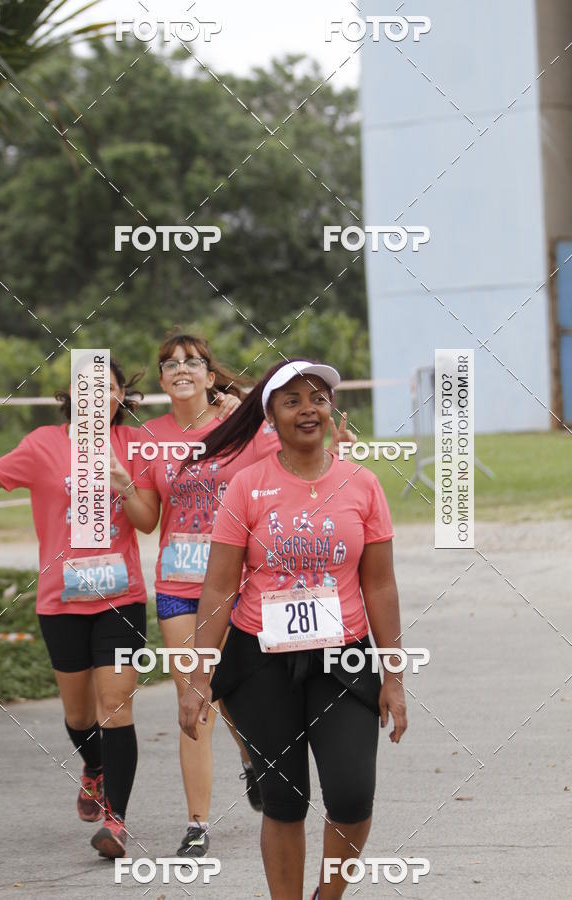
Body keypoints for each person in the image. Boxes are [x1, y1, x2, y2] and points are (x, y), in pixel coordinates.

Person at [178, 359, 408, 900]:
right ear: (272, 417)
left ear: (331, 410)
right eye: (292, 401)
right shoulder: (246, 487)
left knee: (352, 796)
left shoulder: (363, 484)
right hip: (261, 661)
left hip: (343, 659)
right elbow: (218, 589)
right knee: (283, 799)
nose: (308, 409)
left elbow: (380, 586)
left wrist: (394, 676)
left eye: (318, 398)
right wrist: (197, 676)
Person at [110, 333, 280, 860]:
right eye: (169, 363)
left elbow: (288, 463)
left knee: (229, 691)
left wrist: (259, 418)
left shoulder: (242, 426)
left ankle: (253, 757)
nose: (180, 368)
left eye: (192, 361)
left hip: (235, 585)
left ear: (209, 375)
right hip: (179, 589)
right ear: (162, 381)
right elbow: (147, 520)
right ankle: (197, 824)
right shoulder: (149, 438)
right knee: (195, 697)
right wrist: (124, 487)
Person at [0, 359, 147, 860]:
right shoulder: (42, 444)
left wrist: (126, 485)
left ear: (119, 398)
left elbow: (150, 519)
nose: (96, 396)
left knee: (114, 706)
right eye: (85, 388)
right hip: (60, 600)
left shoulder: (133, 447)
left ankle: (116, 821)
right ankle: (93, 767)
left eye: (107, 388)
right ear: (70, 396)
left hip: (121, 597)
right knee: (77, 714)